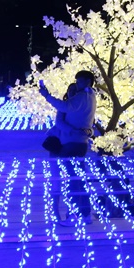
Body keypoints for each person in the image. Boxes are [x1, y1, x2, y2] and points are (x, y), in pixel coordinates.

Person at [39, 71, 97, 223]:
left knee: (73, 181)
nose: (75, 87)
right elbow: (66, 122)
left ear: (87, 81)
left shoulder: (79, 99)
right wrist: (84, 131)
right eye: (71, 88)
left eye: (78, 82)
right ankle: (84, 213)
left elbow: (64, 109)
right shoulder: (88, 98)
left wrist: (46, 95)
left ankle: (76, 214)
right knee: (76, 180)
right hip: (73, 144)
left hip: (70, 145)